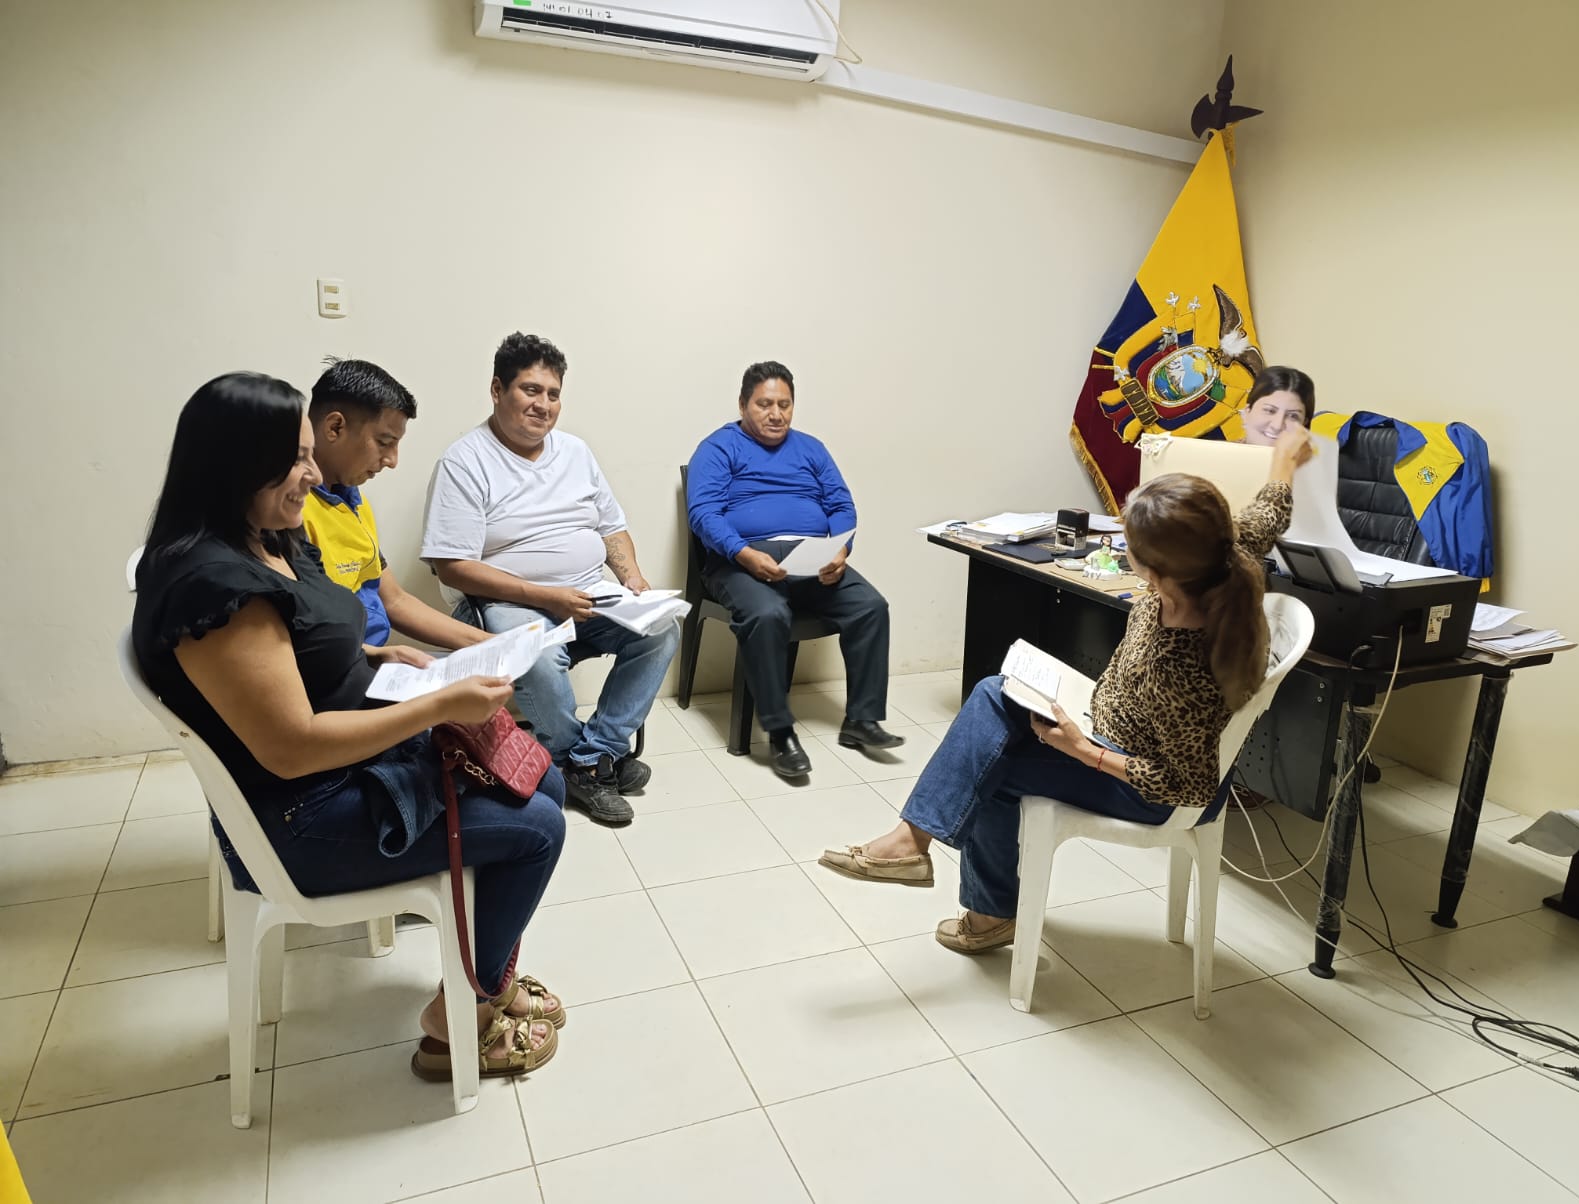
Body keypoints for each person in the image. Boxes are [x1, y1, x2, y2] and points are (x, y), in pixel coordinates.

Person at [132, 372, 568, 1080]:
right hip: (300, 816)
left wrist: (375, 655)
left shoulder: (269, 536)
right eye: (297, 459)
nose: (313, 477)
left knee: (543, 778)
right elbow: (290, 749)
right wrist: (438, 706)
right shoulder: (217, 588)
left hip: (346, 758)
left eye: (311, 455)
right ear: (238, 464)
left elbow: (305, 644)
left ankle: (483, 976)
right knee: (539, 828)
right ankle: (460, 1020)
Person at [820, 427, 1313, 952]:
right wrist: (1286, 459)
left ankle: (976, 904)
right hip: (1110, 726)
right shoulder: (1221, 559)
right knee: (994, 695)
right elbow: (1267, 513)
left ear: (1154, 570)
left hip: (1139, 784)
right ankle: (918, 848)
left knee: (990, 766)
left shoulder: (1180, 664)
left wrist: (1084, 751)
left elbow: (1188, 787)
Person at [421, 333, 678, 827]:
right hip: (503, 603)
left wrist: (634, 581)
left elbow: (612, 528)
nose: (543, 405)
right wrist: (546, 596)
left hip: (587, 593)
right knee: (536, 656)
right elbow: (452, 566)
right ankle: (582, 763)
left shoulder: (576, 452)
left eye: (553, 394)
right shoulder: (464, 461)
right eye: (530, 390)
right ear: (497, 390)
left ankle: (591, 757)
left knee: (661, 628)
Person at [686, 361, 901, 779]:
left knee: (870, 606)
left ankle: (862, 720)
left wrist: (841, 549)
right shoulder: (718, 448)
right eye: (764, 404)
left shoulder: (811, 448)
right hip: (740, 561)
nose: (776, 414)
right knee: (768, 614)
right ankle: (780, 733)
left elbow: (841, 505)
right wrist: (744, 553)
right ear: (743, 405)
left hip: (813, 558)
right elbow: (704, 513)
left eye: (784, 405)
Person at [301, 357, 489, 653]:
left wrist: (492, 644)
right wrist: (381, 657)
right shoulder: (290, 513)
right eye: (384, 442)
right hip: (344, 666)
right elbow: (307, 638)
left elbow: (394, 600)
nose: (392, 460)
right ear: (335, 427)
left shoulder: (354, 502)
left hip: (370, 658)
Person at [1239, 365, 1315, 447]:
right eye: (1270, 411)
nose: (1277, 426)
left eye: (1293, 416)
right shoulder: (1227, 454)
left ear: (1304, 425)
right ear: (1247, 412)